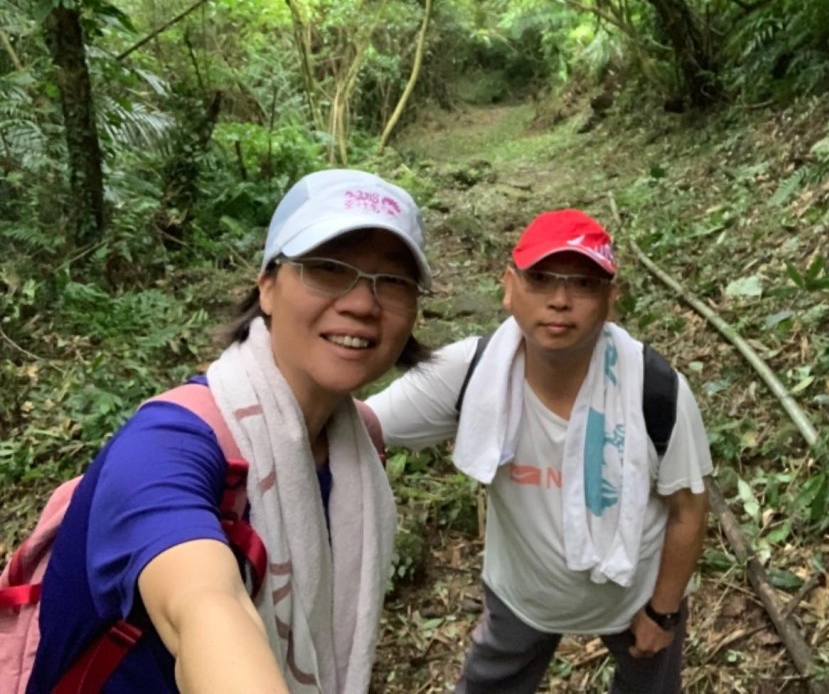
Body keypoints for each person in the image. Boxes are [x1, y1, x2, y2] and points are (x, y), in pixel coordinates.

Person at [27, 168, 433, 693]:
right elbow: (204, 606)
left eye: (393, 281)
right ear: (267, 286)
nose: (362, 303)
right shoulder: (163, 448)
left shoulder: (357, 442)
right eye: (329, 270)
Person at [361, 209, 713, 693]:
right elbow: (366, 423)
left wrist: (664, 611)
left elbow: (688, 507)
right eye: (541, 278)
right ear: (509, 287)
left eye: (584, 284)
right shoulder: (474, 371)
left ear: (612, 300)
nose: (561, 301)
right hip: (521, 595)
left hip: (636, 593)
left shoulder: (655, 389)